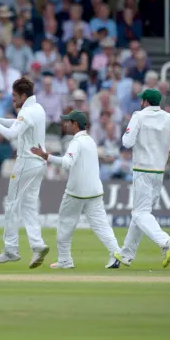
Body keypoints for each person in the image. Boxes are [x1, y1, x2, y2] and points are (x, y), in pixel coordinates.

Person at [29, 111, 121, 269]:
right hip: (94, 192)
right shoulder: (90, 140)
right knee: (102, 226)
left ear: (75, 124)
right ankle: (116, 253)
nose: (66, 125)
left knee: (64, 226)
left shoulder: (76, 142)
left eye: (68, 122)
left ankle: (65, 260)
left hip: (76, 193)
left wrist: (46, 156)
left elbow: (66, 163)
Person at [115, 89, 170, 268]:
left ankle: (166, 242)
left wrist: (127, 132)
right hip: (159, 172)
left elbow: (127, 142)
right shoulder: (168, 117)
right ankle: (126, 254)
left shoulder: (138, 116)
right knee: (141, 212)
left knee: (140, 213)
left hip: (142, 170)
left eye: (142, 100)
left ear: (146, 102)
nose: (140, 102)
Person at [0, 77, 50, 268]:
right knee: (28, 205)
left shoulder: (27, 112)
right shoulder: (37, 109)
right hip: (39, 165)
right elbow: (15, 123)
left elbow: (12, 133)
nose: (13, 100)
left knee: (11, 204)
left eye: (14, 96)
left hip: (26, 163)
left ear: (23, 95)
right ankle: (37, 245)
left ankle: (11, 250)